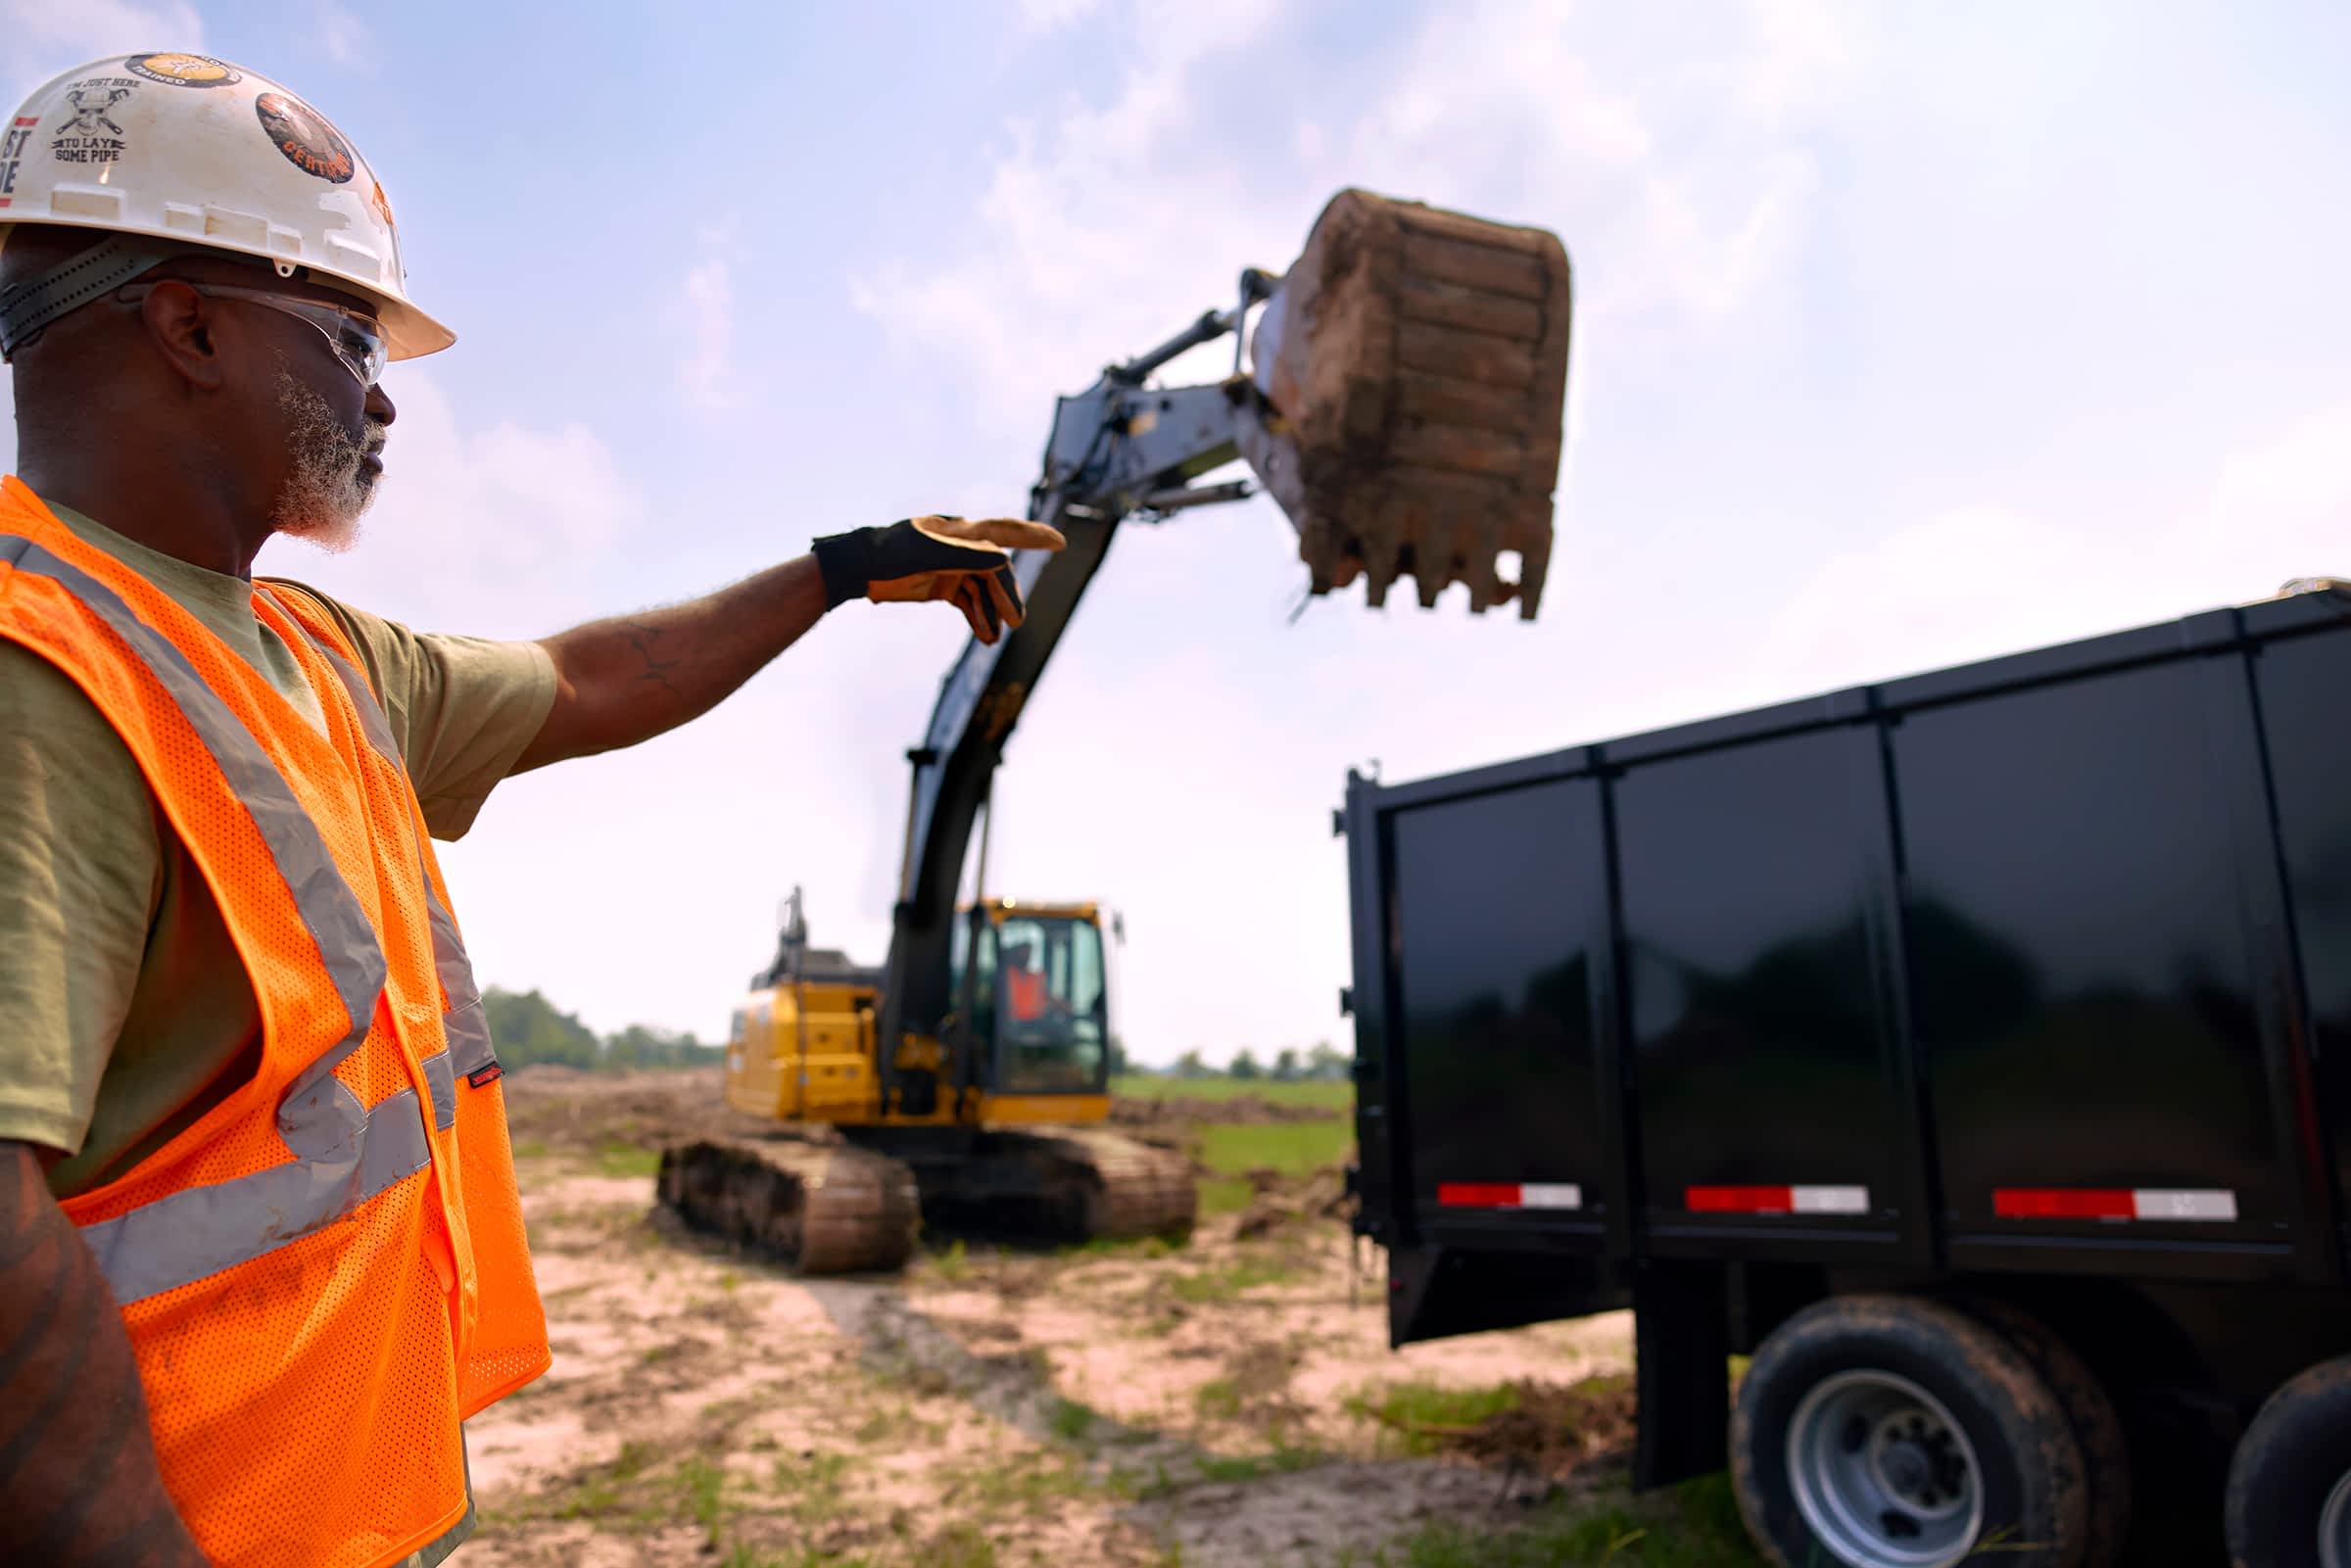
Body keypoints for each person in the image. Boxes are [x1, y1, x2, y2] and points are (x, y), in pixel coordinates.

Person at [0, 53, 1063, 1568]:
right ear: (189, 325)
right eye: (350, 332)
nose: (378, 392)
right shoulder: (41, 667)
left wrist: (836, 570)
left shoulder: (304, 652)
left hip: (341, 1511)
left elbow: (581, 676)